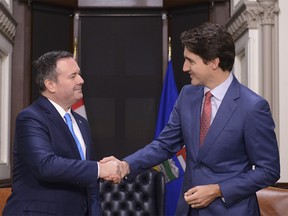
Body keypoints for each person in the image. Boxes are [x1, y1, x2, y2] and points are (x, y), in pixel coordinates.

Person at [101, 22, 280, 216]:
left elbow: (268, 170)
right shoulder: (188, 95)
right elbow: (164, 145)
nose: (185, 67)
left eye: (191, 61)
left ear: (214, 62)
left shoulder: (253, 107)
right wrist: (126, 165)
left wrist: (218, 189)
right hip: (188, 210)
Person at [3, 50, 121, 216]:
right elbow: (45, 165)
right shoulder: (30, 118)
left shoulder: (81, 123)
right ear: (50, 84)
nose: (81, 80)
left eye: (79, 74)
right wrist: (99, 169)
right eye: (73, 76)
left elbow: (90, 184)